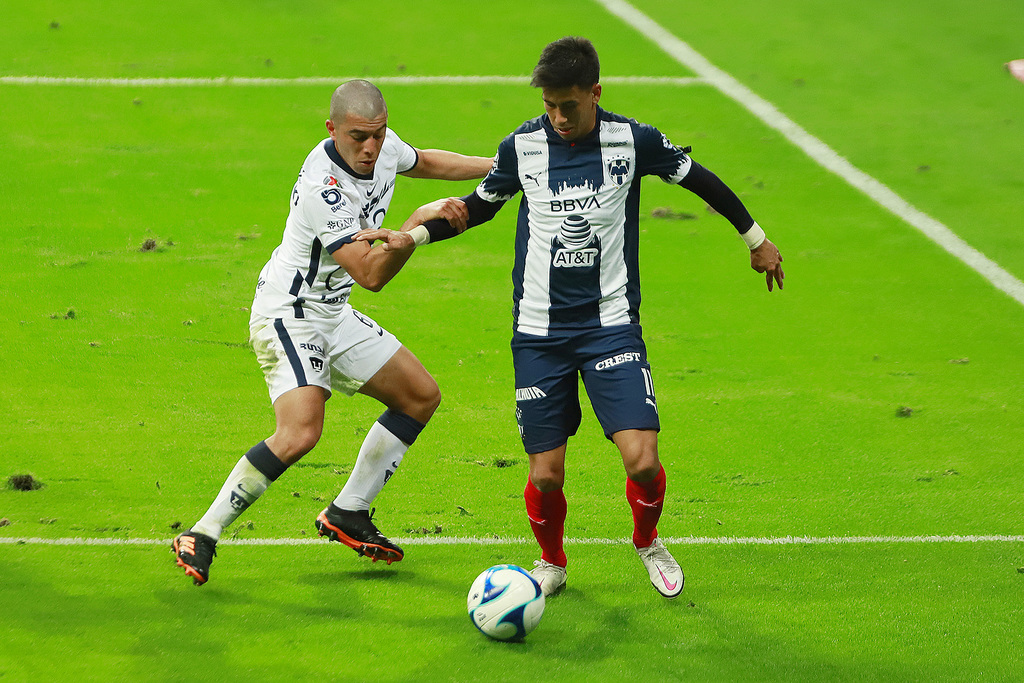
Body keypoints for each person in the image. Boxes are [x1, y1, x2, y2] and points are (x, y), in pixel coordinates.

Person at [360, 37, 784, 599]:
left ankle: (648, 541)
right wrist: (411, 236)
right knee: (545, 473)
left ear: (595, 93)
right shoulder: (522, 147)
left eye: (569, 106)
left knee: (642, 461)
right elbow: (477, 209)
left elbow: (700, 179)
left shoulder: (633, 141)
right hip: (539, 333)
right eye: (549, 106)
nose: (558, 117)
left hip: (611, 325)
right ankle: (552, 561)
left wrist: (756, 240)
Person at [172, 79, 493, 586]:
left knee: (419, 396)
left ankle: (349, 511)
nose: (371, 148)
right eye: (358, 137)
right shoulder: (325, 189)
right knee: (301, 431)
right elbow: (372, 275)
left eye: (379, 134)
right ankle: (202, 533)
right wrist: (416, 224)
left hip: (333, 310)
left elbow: (425, 161)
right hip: (290, 312)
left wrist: (499, 167)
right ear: (333, 130)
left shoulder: (383, 147)